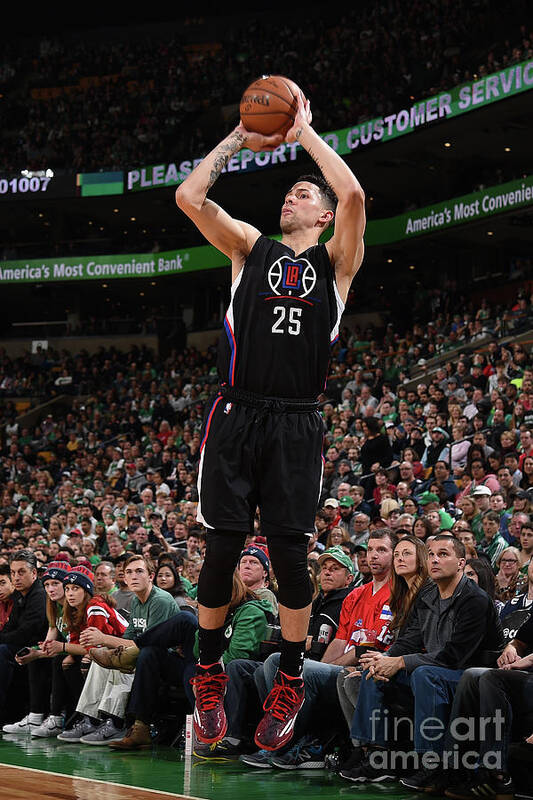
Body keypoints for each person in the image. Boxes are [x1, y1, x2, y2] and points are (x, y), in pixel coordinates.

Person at [175, 88, 366, 749]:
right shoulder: (249, 247)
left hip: (296, 420)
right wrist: (236, 137)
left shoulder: (336, 263)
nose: (290, 198)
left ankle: (288, 679)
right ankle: (206, 674)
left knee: (288, 554)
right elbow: (189, 198)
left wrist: (302, 131)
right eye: (287, 192)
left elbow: (357, 199)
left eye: (303, 195)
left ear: (321, 215)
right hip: (237, 410)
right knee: (223, 546)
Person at [344, 535, 504, 786]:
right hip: (435, 670)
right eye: (430, 554)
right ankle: (376, 755)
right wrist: (385, 659)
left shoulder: (474, 599)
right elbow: (410, 638)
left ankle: (433, 764)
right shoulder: (427, 593)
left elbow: (454, 656)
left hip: (469, 676)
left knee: (423, 674)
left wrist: (401, 662)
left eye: (443, 554)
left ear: (461, 563)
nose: (435, 560)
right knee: (375, 672)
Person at [0, 550, 48, 730]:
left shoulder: (39, 595)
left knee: (3, 651)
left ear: (34, 573)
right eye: (13, 573)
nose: (16, 577)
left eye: (21, 572)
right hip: (24, 646)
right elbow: (11, 628)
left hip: (40, 648)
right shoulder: (20, 595)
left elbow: (26, 633)